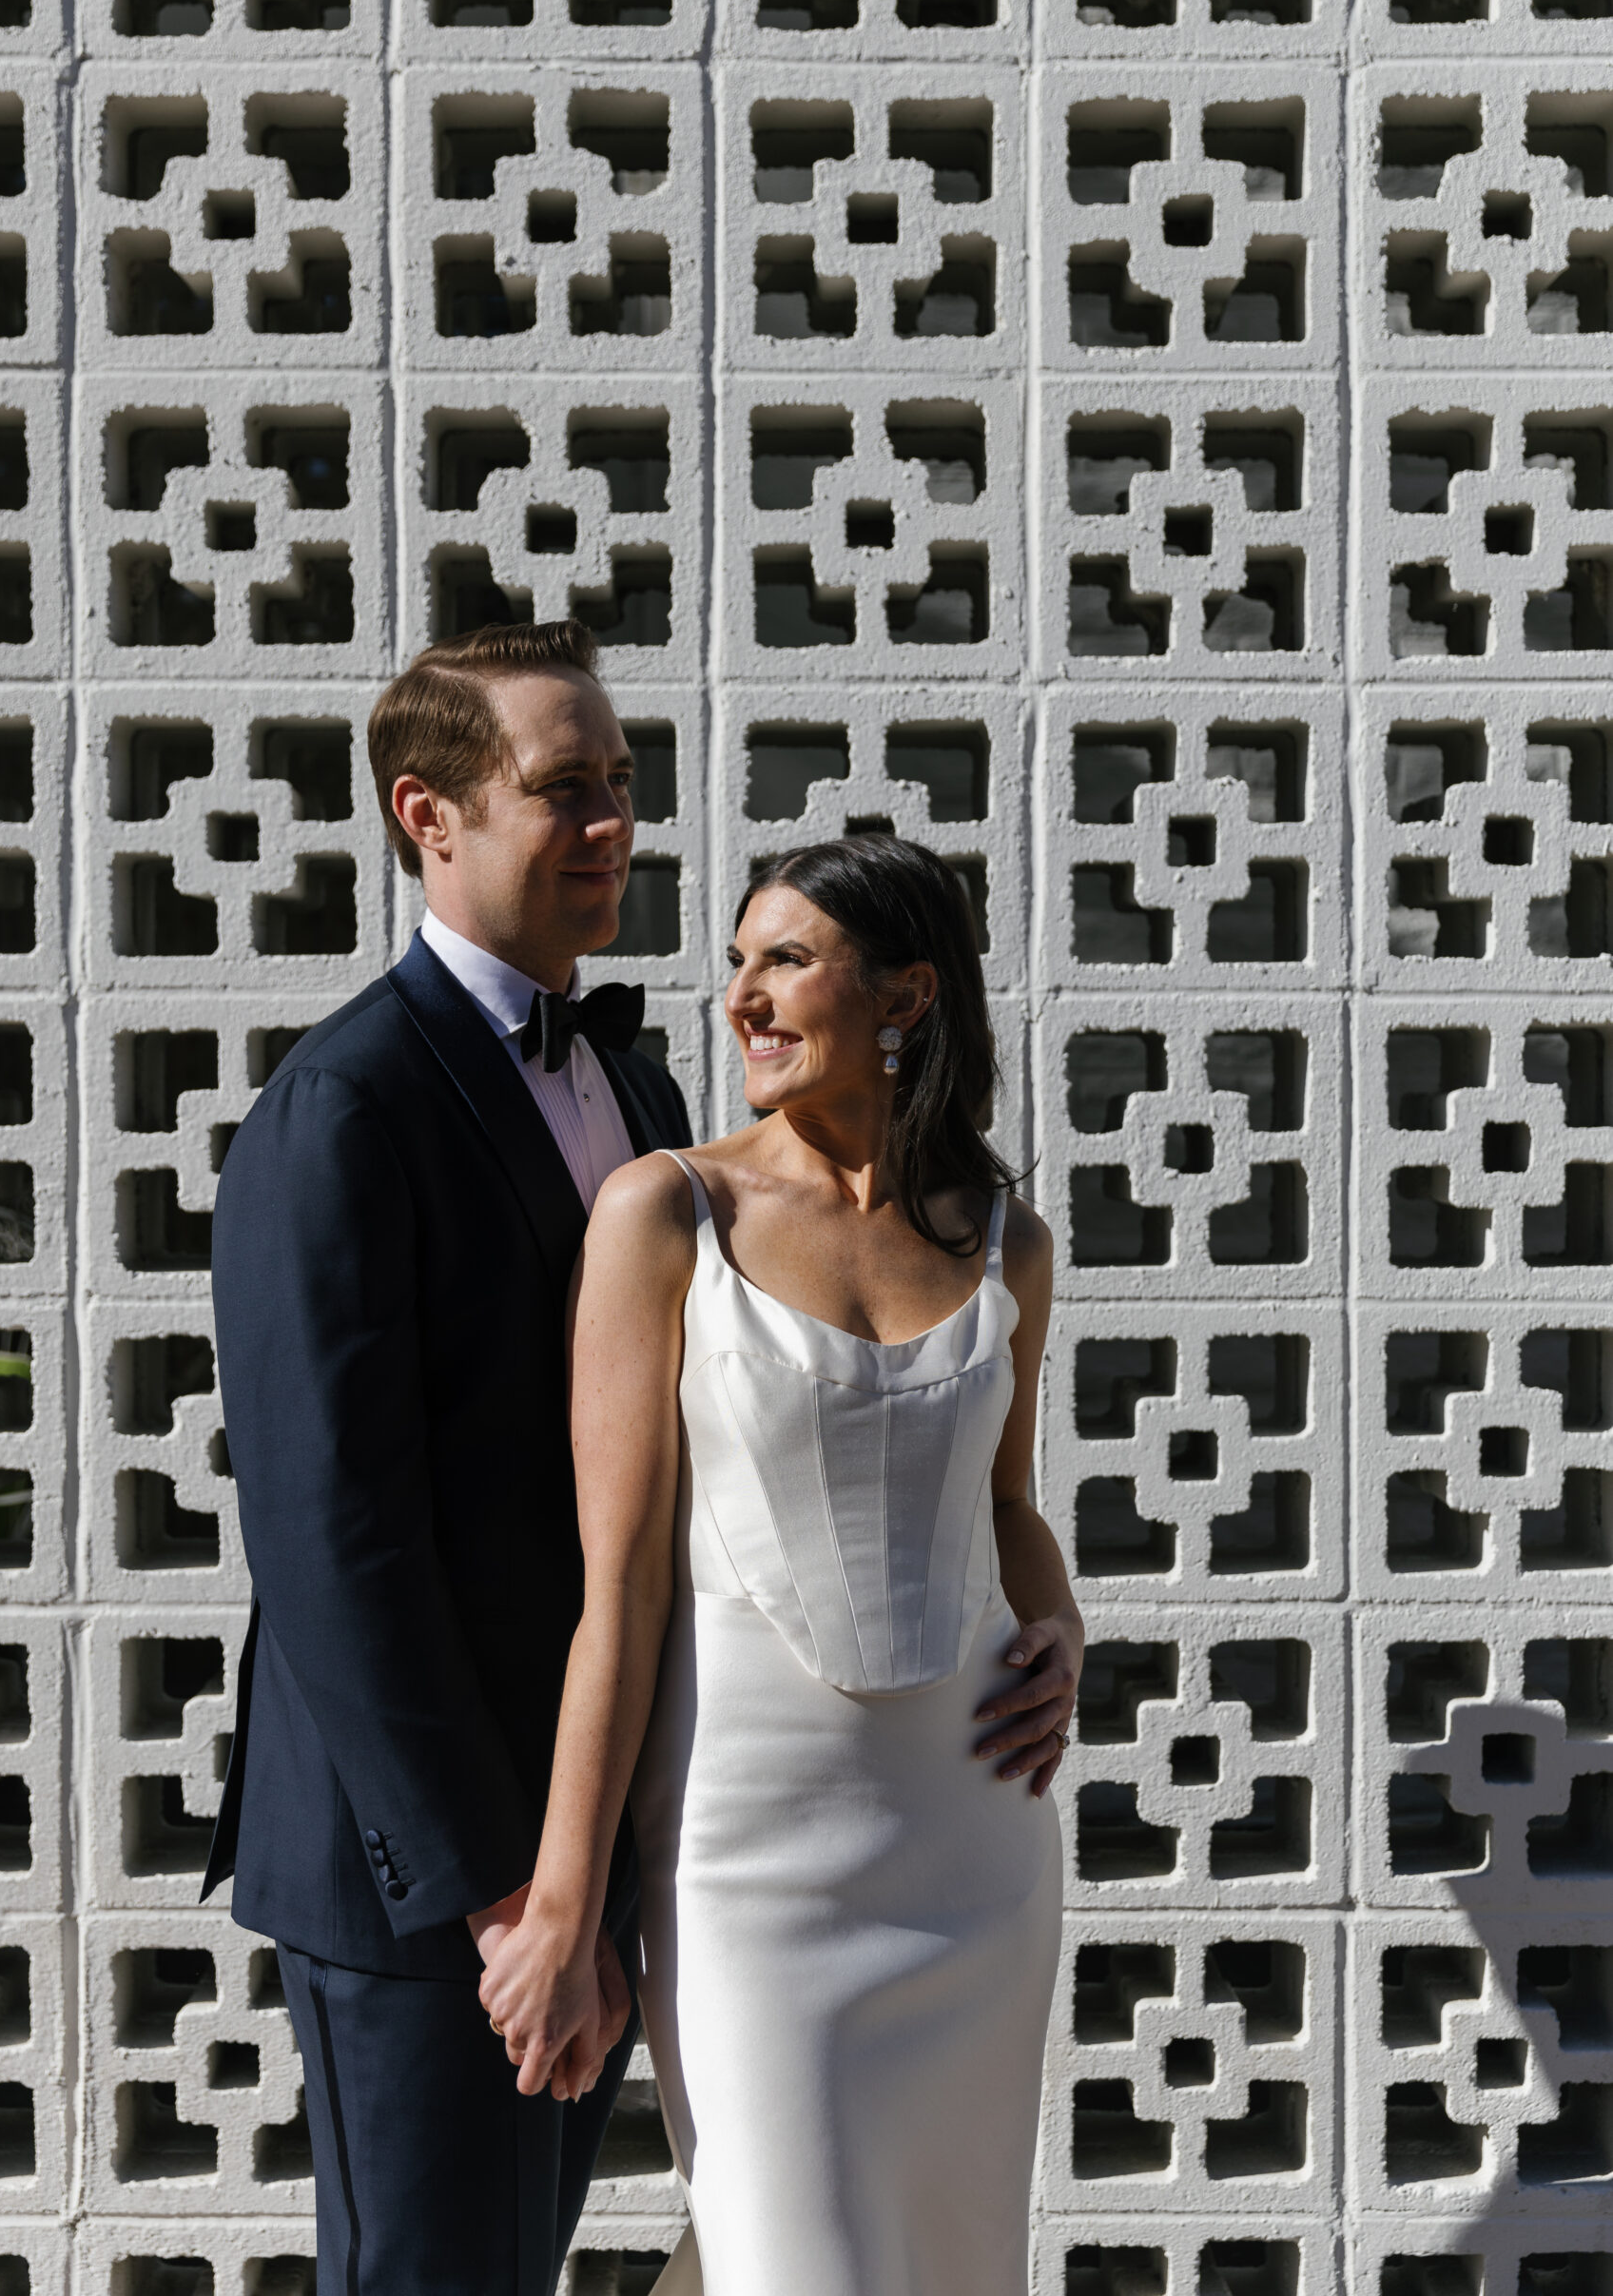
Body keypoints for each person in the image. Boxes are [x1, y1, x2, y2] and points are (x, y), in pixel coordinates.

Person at [479, 833, 1083, 2296]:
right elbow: (612, 1588)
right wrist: (563, 1899)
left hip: (973, 1841)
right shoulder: (665, 1213)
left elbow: (1003, 1500)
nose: (740, 995)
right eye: (740, 961)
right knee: (785, 2263)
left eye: (785, 961)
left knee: (945, 2270)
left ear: (908, 997)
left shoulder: (1006, 1242)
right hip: (746, 1862)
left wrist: (1061, 1615)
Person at [202, 621, 691, 2296]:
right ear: (431, 815)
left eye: (623, 783)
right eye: (566, 790)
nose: (615, 823)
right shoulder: (342, 1109)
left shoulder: (637, 1081)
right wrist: (499, 1898)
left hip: (594, 1841)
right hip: (432, 1890)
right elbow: (336, 1546)